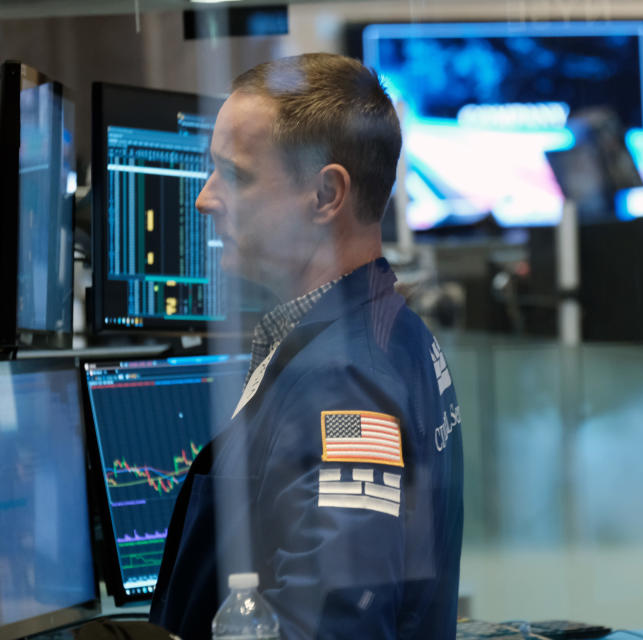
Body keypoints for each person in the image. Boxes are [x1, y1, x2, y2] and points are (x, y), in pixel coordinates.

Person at [149, 53, 463, 640]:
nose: (205, 199)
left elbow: (337, 627)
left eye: (235, 175)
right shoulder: (389, 329)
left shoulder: (346, 382)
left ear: (325, 195)